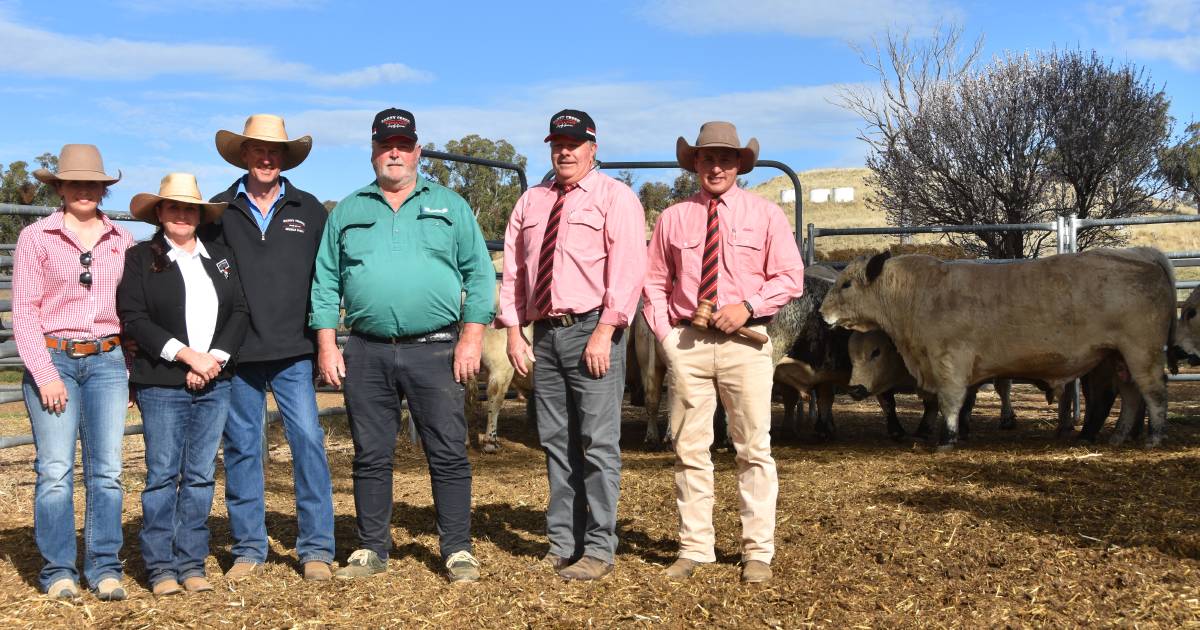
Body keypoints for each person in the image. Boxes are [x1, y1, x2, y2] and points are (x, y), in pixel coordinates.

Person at [310, 108, 495, 583]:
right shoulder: (349, 210)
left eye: (403, 144)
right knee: (371, 453)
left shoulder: (450, 205)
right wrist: (328, 345)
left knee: (448, 451)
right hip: (367, 349)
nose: (394, 152)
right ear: (373, 151)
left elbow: (479, 274)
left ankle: (457, 548)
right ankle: (372, 548)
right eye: (384, 144)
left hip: (437, 349)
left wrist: (471, 338)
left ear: (417, 150)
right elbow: (326, 281)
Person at [642, 122, 805, 584]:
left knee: (753, 448)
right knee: (690, 448)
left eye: (726, 159)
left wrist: (748, 307)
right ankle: (695, 546)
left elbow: (789, 278)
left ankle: (757, 552)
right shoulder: (673, 218)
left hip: (746, 345)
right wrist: (666, 338)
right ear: (695, 163)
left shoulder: (766, 215)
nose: (716, 166)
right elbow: (654, 282)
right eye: (707, 158)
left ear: (740, 165)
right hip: (688, 345)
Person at [496, 109, 645, 580]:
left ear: (592, 148)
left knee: (598, 443)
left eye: (574, 142)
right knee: (556, 442)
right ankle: (563, 541)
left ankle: (599, 547)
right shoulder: (532, 202)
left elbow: (627, 269)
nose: (565, 150)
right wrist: (514, 331)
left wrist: (606, 330)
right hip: (545, 335)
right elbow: (515, 272)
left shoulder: (615, 198)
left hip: (591, 330)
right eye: (557, 142)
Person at [204, 114, 335, 581]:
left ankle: (316, 547)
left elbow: (327, 279)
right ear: (243, 155)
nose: (265, 157)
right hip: (237, 354)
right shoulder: (217, 211)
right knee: (241, 447)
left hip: (293, 350)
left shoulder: (309, 209)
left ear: (284, 158)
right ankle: (248, 548)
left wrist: (326, 341)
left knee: (308, 443)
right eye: (257, 150)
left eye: (273, 151)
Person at [12, 144, 134, 600]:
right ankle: (59, 569)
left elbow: (131, 308)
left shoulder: (123, 240)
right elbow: (24, 311)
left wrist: (130, 372)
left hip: (107, 360)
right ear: (60, 188)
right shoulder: (36, 237)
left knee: (107, 470)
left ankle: (104, 566)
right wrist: (44, 373)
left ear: (103, 190)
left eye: (93, 184)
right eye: (75, 182)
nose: (85, 190)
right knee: (56, 469)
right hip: (54, 355)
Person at [118, 173, 249, 595]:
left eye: (188, 208)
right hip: (163, 381)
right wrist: (186, 354)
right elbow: (134, 316)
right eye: (172, 207)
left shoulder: (221, 258)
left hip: (215, 379)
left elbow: (240, 312)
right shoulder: (141, 257)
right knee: (161, 474)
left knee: (199, 474)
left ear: (199, 215)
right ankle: (159, 566)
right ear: (159, 213)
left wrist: (214, 358)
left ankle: (191, 561)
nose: (181, 215)